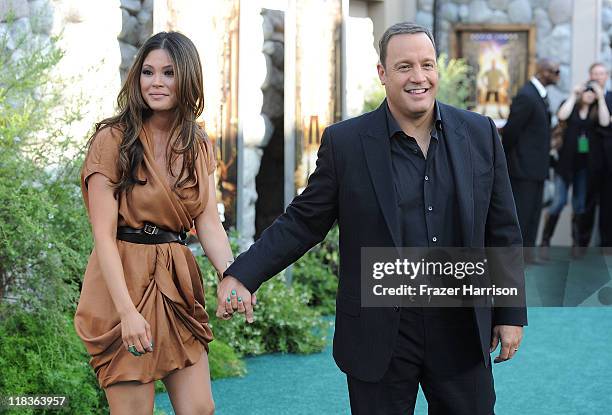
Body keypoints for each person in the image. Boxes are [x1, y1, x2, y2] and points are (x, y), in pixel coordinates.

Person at [218, 22, 526, 414]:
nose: (419, 77)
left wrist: (510, 313)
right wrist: (243, 273)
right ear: (382, 73)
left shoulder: (479, 133)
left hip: (460, 326)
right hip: (380, 330)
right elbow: (303, 221)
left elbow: (502, 229)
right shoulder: (345, 143)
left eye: (427, 65)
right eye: (404, 67)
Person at [74, 32, 236, 414]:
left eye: (168, 72)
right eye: (148, 72)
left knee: (200, 408)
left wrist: (232, 275)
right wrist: (127, 311)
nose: (156, 82)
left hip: (175, 281)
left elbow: (208, 220)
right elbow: (103, 236)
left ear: (187, 78)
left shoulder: (196, 142)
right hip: (123, 279)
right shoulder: (113, 139)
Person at [539, 81, 610, 258]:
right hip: (565, 164)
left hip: (585, 167)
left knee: (579, 206)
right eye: (587, 90)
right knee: (558, 203)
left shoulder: (596, 110)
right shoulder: (571, 106)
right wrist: (573, 95)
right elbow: (562, 116)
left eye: (592, 92)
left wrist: (601, 98)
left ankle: (576, 244)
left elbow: (604, 122)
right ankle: (545, 241)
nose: (589, 94)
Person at [502, 58, 560, 263]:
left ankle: (527, 255)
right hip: (523, 169)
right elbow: (510, 132)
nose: (558, 75)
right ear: (543, 72)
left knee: (534, 214)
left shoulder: (539, 96)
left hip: (536, 168)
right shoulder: (527, 96)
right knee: (522, 215)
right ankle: (514, 258)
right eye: (555, 71)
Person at [589, 63, 612, 249]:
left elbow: (605, 122)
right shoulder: (585, 98)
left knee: (606, 203)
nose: (598, 77)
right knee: (584, 203)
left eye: (601, 74)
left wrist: (601, 98)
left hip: (607, 160)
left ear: (607, 76)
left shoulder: (609, 98)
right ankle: (580, 245)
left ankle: (605, 244)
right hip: (586, 159)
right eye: (595, 73)